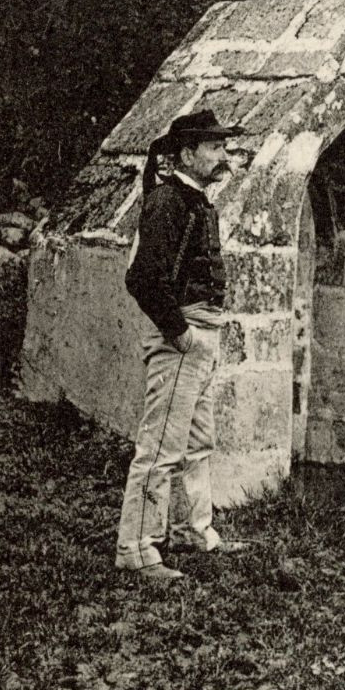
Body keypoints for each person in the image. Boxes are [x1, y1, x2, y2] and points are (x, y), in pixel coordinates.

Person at [115, 110, 250, 582]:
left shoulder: (194, 201)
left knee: (197, 443)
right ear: (187, 154)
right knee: (159, 447)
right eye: (213, 148)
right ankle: (136, 548)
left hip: (200, 337)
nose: (222, 156)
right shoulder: (169, 201)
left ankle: (194, 530)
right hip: (183, 339)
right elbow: (143, 279)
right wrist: (182, 334)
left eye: (223, 147)